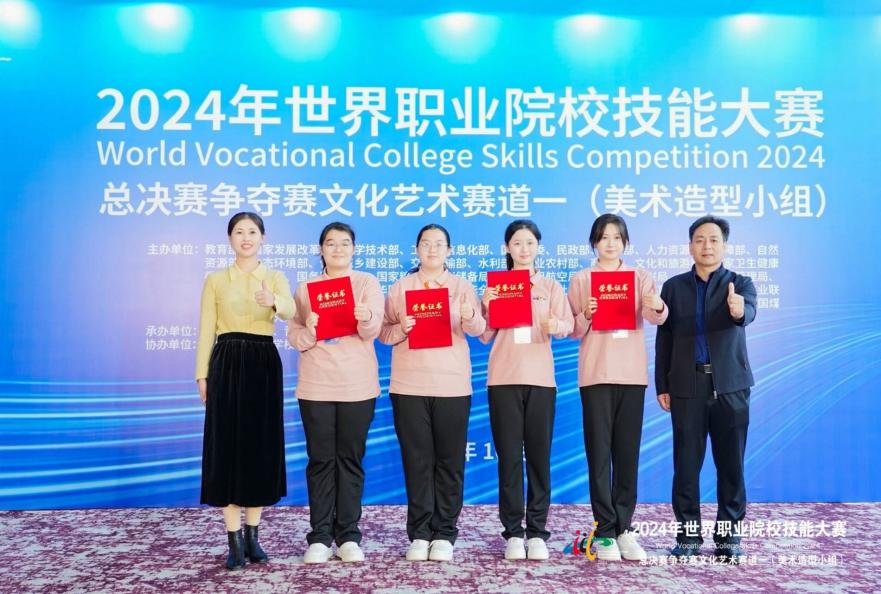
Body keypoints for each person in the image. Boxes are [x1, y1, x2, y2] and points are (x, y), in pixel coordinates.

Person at [379, 223, 486, 562]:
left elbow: (480, 329)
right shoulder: (400, 288)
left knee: (450, 461)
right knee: (417, 461)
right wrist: (401, 328)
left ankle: (445, 532)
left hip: (451, 385)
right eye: (426, 243)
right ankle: (420, 532)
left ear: (449, 251)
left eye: (439, 244)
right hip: (409, 385)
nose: (432, 249)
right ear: (416, 249)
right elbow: (383, 333)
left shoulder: (462, 287)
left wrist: (470, 314)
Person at [196, 212, 295, 570]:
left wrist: (274, 300)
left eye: (252, 232)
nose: (246, 237)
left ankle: (254, 536)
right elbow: (206, 328)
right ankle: (233, 540)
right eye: (239, 232)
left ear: (263, 238)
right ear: (230, 239)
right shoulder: (215, 279)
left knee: (259, 447)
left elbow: (291, 310)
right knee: (227, 447)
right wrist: (202, 375)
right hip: (226, 362)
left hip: (262, 363)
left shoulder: (275, 276)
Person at [655, 215, 757, 563]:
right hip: (687, 386)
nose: (707, 246)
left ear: (724, 246)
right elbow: (664, 338)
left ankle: (728, 538)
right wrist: (663, 383)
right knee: (686, 466)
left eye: (714, 240)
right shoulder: (673, 287)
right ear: (690, 246)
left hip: (731, 387)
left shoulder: (740, 284)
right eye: (700, 240)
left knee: (731, 466)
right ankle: (688, 536)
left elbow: (748, 313)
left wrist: (738, 309)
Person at [567, 213, 668, 561]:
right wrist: (586, 314)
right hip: (595, 374)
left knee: (626, 453)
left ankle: (625, 527)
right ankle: (605, 530)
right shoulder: (582, 279)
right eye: (603, 237)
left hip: (631, 374)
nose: (610, 243)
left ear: (625, 242)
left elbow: (656, 316)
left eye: (616, 237)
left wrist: (658, 306)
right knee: (599, 454)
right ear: (594, 242)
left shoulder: (639, 276)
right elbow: (572, 330)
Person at [287, 222, 384, 564]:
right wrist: (310, 331)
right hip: (316, 385)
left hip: (357, 385)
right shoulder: (306, 288)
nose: (338, 249)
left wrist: (366, 316)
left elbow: (374, 331)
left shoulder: (367, 283)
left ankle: (348, 536)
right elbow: (294, 335)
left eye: (345, 243)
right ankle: (320, 536)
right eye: (331, 243)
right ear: (321, 250)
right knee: (320, 460)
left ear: (354, 249)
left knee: (350, 460)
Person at [479, 219, 574, 561]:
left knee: (538, 457)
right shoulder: (496, 286)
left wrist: (556, 324)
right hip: (503, 378)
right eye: (517, 243)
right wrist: (486, 306)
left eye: (530, 243)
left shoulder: (550, 286)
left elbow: (568, 325)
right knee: (508, 458)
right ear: (507, 248)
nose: (523, 249)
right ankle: (513, 533)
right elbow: (484, 335)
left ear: (538, 247)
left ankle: (537, 531)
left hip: (540, 380)